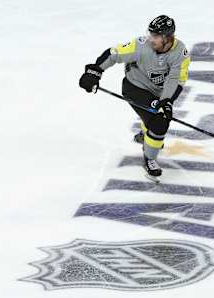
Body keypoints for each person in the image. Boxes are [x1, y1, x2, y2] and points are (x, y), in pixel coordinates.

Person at [79, 15, 190, 182]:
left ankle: (147, 134)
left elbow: (176, 80)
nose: (151, 39)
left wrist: (166, 102)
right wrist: (94, 71)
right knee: (160, 124)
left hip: (158, 93)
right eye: (150, 34)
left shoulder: (180, 53)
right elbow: (113, 54)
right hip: (135, 88)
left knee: (158, 118)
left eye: (156, 36)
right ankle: (150, 158)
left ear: (167, 37)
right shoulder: (141, 46)